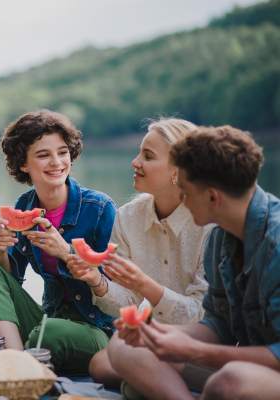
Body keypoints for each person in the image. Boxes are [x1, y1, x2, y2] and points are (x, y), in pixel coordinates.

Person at [108, 126, 280, 400]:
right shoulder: (221, 238)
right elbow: (218, 324)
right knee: (123, 346)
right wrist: (155, 334)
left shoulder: (276, 245)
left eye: (186, 193)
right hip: (242, 365)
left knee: (230, 383)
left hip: (255, 373)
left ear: (213, 197)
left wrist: (192, 351)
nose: (183, 202)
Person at [66, 118, 213, 387]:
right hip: (152, 342)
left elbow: (202, 316)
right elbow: (130, 303)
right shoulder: (127, 218)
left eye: (148, 156)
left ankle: (149, 383)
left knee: (123, 364)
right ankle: (151, 380)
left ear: (178, 171)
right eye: (139, 153)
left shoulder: (209, 225)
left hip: (203, 348)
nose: (135, 162)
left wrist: (146, 285)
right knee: (99, 364)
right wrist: (96, 282)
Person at [0, 109, 117, 375]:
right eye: (43, 155)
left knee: (48, 333)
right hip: (49, 319)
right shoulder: (25, 206)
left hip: (98, 329)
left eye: (62, 152)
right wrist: (0, 250)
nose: (56, 162)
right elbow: (8, 281)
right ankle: (16, 362)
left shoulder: (99, 208)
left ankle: (15, 366)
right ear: (24, 164)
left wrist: (65, 251)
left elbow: (116, 291)